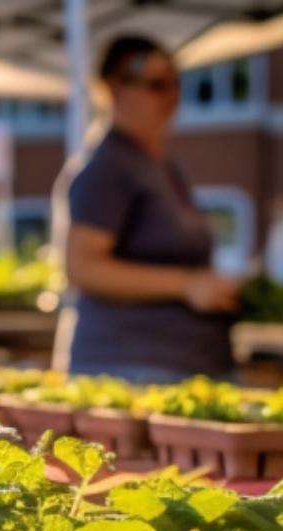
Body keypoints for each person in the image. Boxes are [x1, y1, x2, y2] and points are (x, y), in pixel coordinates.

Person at [55, 36, 241, 381]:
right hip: (130, 366)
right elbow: (83, 267)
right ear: (114, 89)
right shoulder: (108, 167)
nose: (170, 96)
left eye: (174, 83)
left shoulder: (163, 165)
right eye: (156, 85)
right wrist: (186, 285)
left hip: (189, 364)